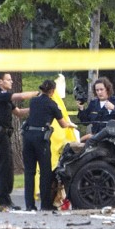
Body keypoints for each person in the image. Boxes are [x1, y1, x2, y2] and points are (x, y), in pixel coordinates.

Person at [0, 72, 37, 209]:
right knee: (3, 168)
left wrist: (37, 107)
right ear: (0, 82)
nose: (12, 82)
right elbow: (20, 96)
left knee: (8, 168)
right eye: (8, 80)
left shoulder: (5, 97)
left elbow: (19, 112)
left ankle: (5, 198)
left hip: (5, 136)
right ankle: (0, 199)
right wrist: (37, 93)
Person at [22, 79, 73, 212]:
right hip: (41, 139)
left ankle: (29, 205)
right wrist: (70, 124)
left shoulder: (33, 101)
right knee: (45, 172)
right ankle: (45, 205)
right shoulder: (52, 104)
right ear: (52, 91)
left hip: (27, 137)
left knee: (29, 172)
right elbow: (63, 124)